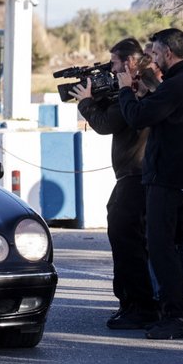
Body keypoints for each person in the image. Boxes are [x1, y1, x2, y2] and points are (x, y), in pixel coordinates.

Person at [117, 28, 183, 340]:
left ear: (169, 53)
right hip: (180, 176)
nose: (151, 58)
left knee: (160, 248)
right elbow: (163, 110)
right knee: (176, 244)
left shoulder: (178, 85)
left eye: (155, 53)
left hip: (166, 178)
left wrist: (126, 90)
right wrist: (148, 89)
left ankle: (176, 315)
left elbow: (139, 117)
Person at [70, 38, 156, 330]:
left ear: (130, 63)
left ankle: (140, 307)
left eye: (115, 64)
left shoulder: (136, 91)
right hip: (137, 176)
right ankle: (134, 304)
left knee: (126, 242)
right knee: (132, 243)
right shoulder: (134, 89)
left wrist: (86, 102)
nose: (112, 69)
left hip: (135, 177)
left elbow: (107, 124)